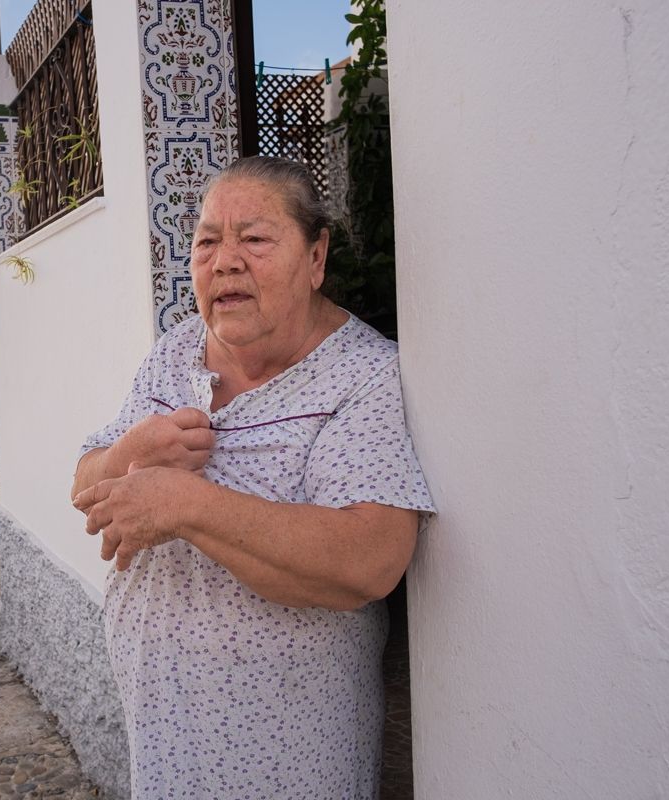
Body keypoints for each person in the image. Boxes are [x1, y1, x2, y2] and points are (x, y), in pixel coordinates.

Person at [71, 156, 434, 799]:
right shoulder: (177, 349)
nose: (225, 261)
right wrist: (131, 449)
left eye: (255, 239)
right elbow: (85, 485)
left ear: (316, 257)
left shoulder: (362, 376)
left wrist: (186, 503)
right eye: (207, 241)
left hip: (288, 744)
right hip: (161, 720)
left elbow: (370, 561)